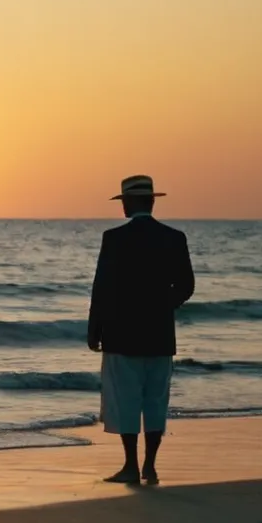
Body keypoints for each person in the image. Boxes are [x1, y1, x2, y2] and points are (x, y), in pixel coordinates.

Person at [88, 175, 195, 484]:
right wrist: (163, 304)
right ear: (151, 202)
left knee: (125, 400)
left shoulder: (114, 238)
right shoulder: (174, 237)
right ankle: (150, 465)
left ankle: (130, 466)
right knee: (155, 401)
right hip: (160, 335)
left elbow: (102, 289)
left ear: (130, 203)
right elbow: (186, 286)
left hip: (121, 334)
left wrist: (94, 329)